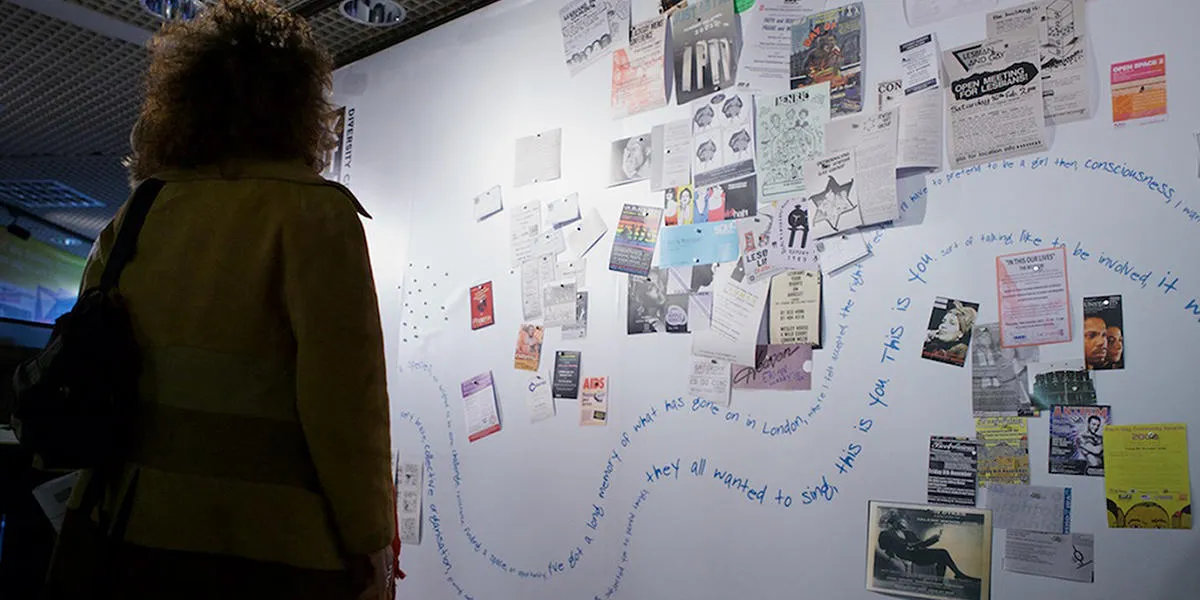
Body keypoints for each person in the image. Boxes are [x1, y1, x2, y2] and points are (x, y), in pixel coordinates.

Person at [44, 2, 395, 599]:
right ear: (298, 107)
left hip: (124, 531)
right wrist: (371, 538)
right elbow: (343, 401)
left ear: (181, 104)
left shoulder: (141, 212)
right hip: (272, 548)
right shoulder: (316, 215)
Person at [877, 512, 980, 581]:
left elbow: (921, 544)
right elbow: (884, 547)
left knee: (942, 554)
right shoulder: (886, 534)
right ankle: (958, 575)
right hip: (906, 555)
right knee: (942, 554)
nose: (902, 522)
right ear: (893, 522)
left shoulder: (909, 533)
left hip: (917, 554)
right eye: (899, 521)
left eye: (902, 521)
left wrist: (934, 539)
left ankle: (942, 582)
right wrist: (896, 551)